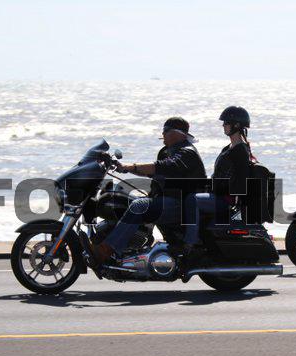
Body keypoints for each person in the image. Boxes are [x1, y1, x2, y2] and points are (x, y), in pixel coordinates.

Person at [91, 117, 206, 266]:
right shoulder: (169, 152)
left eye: (166, 131)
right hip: (168, 199)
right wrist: (123, 168)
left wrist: (129, 167)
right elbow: (152, 171)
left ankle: (108, 249)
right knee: (126, 199)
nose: (162, 134)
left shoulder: (187, 153)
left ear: (177, 134)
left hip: (182, 203)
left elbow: (161, 166)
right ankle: (129, 249)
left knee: (140, 206)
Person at [182, 106, 255, 255]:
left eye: (226, 122)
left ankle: (190, 243)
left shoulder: (240, 150)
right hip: (217, 194)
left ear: (236, 125)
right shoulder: (229, 148)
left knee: (193, 200)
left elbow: (241, 181)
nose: (223, 125)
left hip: (225, 199)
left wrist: (228, 197)